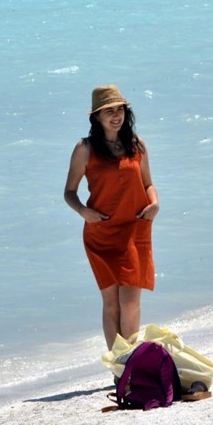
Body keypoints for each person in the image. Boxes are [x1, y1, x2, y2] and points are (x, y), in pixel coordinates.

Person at [64, 85, 160, 350]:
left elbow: (148, 183)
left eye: (119, 110)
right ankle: (119, 367)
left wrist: (155, 202)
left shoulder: (136, 144)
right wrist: (83, 211)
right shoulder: (84, 148)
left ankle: (132, 362)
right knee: (111, 302)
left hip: (135, 228)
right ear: (96, 116)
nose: (115, 116)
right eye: (108, 111)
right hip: (101, 231)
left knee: (130, 301)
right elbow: (69, 192)